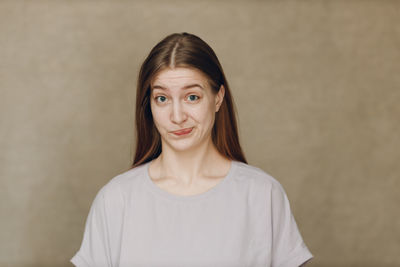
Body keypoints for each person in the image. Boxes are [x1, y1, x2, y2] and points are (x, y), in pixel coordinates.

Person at [70, 32, 313, 267]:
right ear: (149, 106)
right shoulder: (115, 200)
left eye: (192, 97)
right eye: (162, 99)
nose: (177, 117)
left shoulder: (262, 195)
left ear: (218, 98)